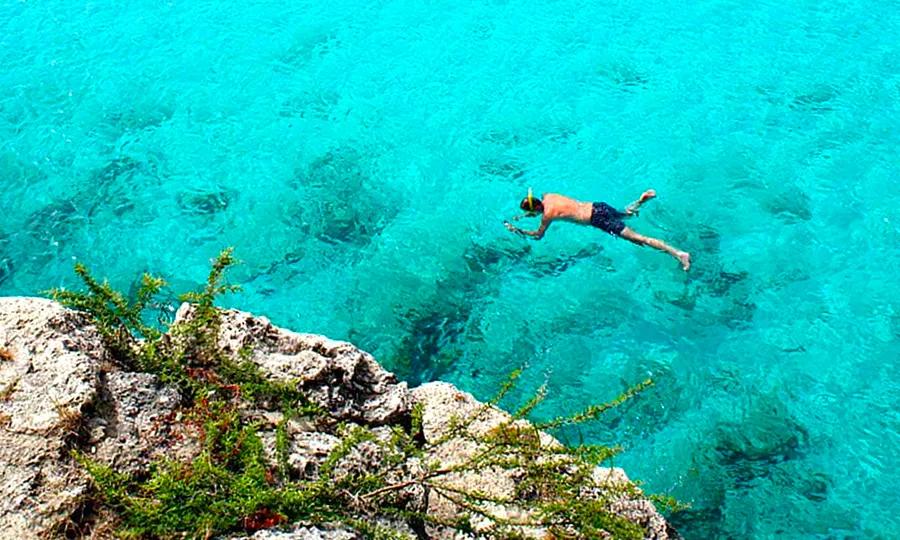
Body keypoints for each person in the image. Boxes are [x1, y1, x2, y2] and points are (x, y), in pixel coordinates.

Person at [504, 188, 691, 271]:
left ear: (536, 209)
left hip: (596, 219)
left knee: (640, 239)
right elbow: (547, 207)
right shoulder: (549, 196)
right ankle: (640, 201)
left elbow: (538, 235)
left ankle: (679, 254)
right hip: (598, 206)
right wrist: (528, 214)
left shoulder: (547, 216)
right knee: (624, 214)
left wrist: (518, 230)